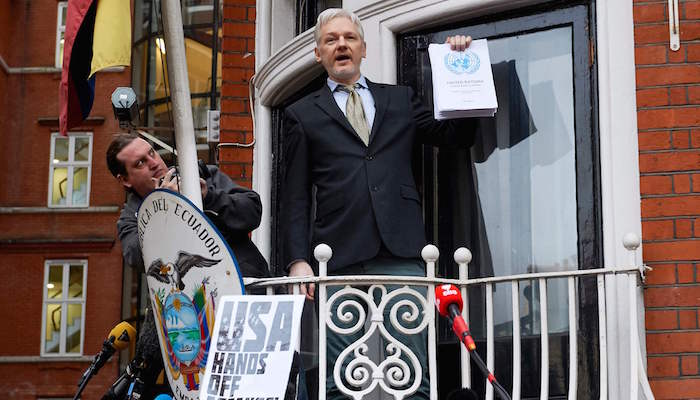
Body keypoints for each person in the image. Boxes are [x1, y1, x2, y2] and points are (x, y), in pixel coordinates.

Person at [281, 8, 478, 399]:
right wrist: (298, 260)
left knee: (412, 371)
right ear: (318, 54)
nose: (341, 45)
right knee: (340, 377)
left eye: (349, 38)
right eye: (331, 40)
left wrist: (460, 69)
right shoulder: (301, 114)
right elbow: (296, 195)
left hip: (401, 248)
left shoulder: (400, 99)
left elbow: (455, 136)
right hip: (337, 254)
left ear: (364, 48)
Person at [106, 134, 270, 399]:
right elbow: (136, 255)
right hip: (191, 328)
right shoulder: (129, 218)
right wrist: (164, 212)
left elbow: (252, 211)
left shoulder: (202, 176)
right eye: (140, 163)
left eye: (151, 153)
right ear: (125, 180)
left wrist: (208, 197)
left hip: (244, 303)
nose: (154, 163)